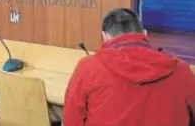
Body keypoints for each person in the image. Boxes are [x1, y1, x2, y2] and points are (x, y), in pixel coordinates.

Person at [64, 8, 195, 126]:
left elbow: (72, 120)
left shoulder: (87, 68)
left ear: (104, 36)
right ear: (144, 33)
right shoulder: (181, 70)